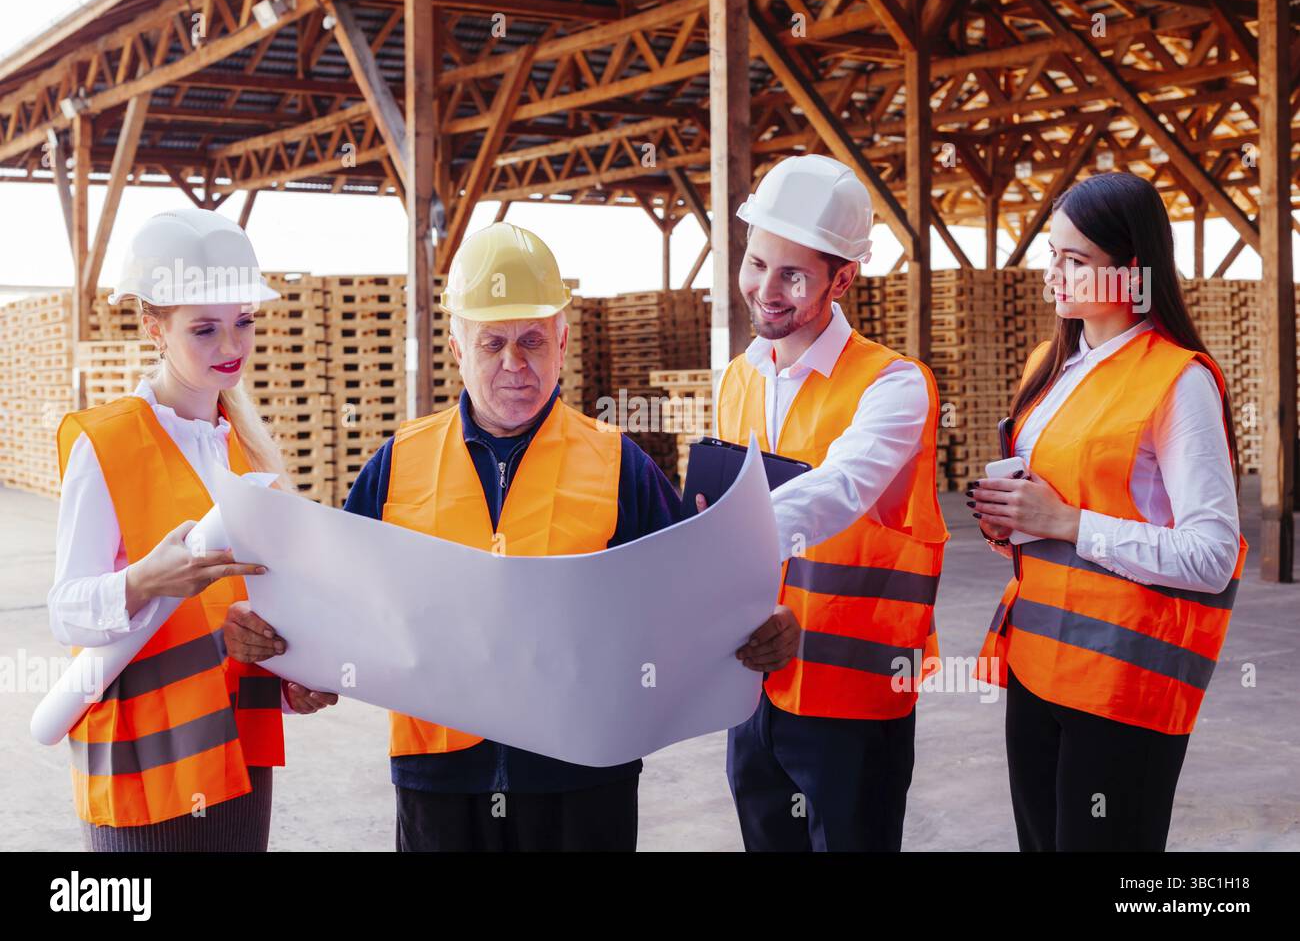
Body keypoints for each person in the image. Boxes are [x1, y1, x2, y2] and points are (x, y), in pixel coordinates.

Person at [340, 221, 798, 851]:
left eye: (532, 340)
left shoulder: (619, 464)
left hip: (584, 773)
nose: (514, 364)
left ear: (561, 339)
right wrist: (297, 668)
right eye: (492, 342)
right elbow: (336, 596)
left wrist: (758, 624)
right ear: (456, 347)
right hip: (439, 774)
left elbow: (688, 596)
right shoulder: (397, 464)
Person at [971, 171, 1245, 851]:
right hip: (1037, 662)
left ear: (1133, 270)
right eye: (1052, 256)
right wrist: (1012, 519)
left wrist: (1066, 522)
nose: (1054, 276)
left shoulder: (1177, 381)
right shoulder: (1049, 365)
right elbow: (1054, 504)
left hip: (1123, 682)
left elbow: (1211, 557)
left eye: (1076, 260)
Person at [48, 207, 336, 852]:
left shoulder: (246, 455)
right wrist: (143, 581)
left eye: (243, 323)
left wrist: (291, 678)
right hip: (147, 759)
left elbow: (244, 613)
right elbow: (66, 612)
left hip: (233, 749)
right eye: (205, 329)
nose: (231, 348)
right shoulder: (108, 441)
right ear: (154, 327)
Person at [710, 154, 949, 851]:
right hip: (752, 689)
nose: (766, 289)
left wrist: (716, 543)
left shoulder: (893, 386)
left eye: (793, 274)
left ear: (842, 278)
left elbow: (841, 488)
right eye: (757, 264)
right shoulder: (735, 382)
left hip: (854, 697)